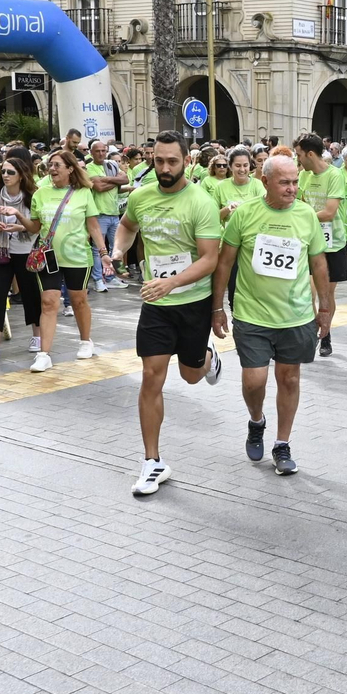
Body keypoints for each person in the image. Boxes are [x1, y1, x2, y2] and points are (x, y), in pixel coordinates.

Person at [114, 131, 225, 495]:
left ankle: (207, 358)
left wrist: (172, 282)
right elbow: (127, 227)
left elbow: (210, 259)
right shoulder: (142, 197)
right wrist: (118, 253)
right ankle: (152, 462)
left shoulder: (201, 202)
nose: (164, 168)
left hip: (191, 302)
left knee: (191, 376)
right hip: (157, 304)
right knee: (151, 376)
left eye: (171, 161)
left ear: (186, 161)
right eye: (158, 161)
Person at [211, 155, 334, 476]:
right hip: (252, 314)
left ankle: (282, 443)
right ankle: (256, 421)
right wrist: (217, 308)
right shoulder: (246, 214)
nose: (292, 188)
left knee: (289, 378)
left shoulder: (307, 215)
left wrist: (325, 306)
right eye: (284, 182)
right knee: (255, 381)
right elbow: (224, 263)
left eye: (295, 182)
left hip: (295, 315)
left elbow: (319, 264)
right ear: (264, 181)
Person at [29, 150, 111, 371]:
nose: (52, 169)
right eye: (50, 165)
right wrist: (17, 220)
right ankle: (43, 354)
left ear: (70, 169)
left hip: (77, 256)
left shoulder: (84, 193)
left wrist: (103, 253)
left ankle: (86, 341)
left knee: (78, 301)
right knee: (48, 302)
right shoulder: (40, 193)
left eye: (57, 165)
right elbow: (35, 227)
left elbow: (93, 226)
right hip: (48, 257)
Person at [0, 157, 42, 362]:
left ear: (21, 175)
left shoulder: (31, 196)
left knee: (30, 295)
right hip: (1, 250)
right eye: (3, 171)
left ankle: (37, 337)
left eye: (10, 172)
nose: (5, 175)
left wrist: (18, 221)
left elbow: (35, 227)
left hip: (25, 250)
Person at [295, 133, 346, 357]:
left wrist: (302, 219)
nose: (298, 160)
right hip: (309, 241)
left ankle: (326, 334)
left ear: (311, 154)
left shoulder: (334, 175)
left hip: (333, 243)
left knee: (327, 293)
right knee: (308, 292)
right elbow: (300, 204)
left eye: (299, 155)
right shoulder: (303, 176)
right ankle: (313, 332)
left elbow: (329, 212)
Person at [84, 140, 130, 292]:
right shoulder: (89, 167)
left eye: (103, 151)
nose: (101, 154)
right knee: (98, 249)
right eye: (97, 151)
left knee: (116, 247)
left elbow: (125, 179)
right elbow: (98, 187)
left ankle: (111, 276)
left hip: (114, 213)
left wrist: (105, 179)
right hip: (99, 213)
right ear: (91, 153)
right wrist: (115, 181)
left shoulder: (111, 164)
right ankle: (98, 279)